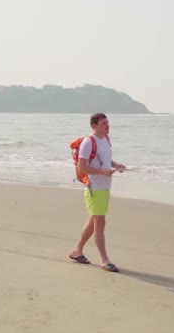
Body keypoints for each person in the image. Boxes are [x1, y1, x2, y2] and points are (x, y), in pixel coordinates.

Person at [69, 113, 125, 272]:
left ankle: (77, 251)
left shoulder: (106, 140)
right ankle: (105, 260)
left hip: (104, 187)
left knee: (94, 222)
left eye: (108, 123)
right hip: (94, 188)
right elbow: (82, 167)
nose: (108, 126)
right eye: (103, 123)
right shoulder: (88, 142)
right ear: (94, 126)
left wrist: (116, 165)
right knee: (100, 223)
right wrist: (102, 172)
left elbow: (106, 160)